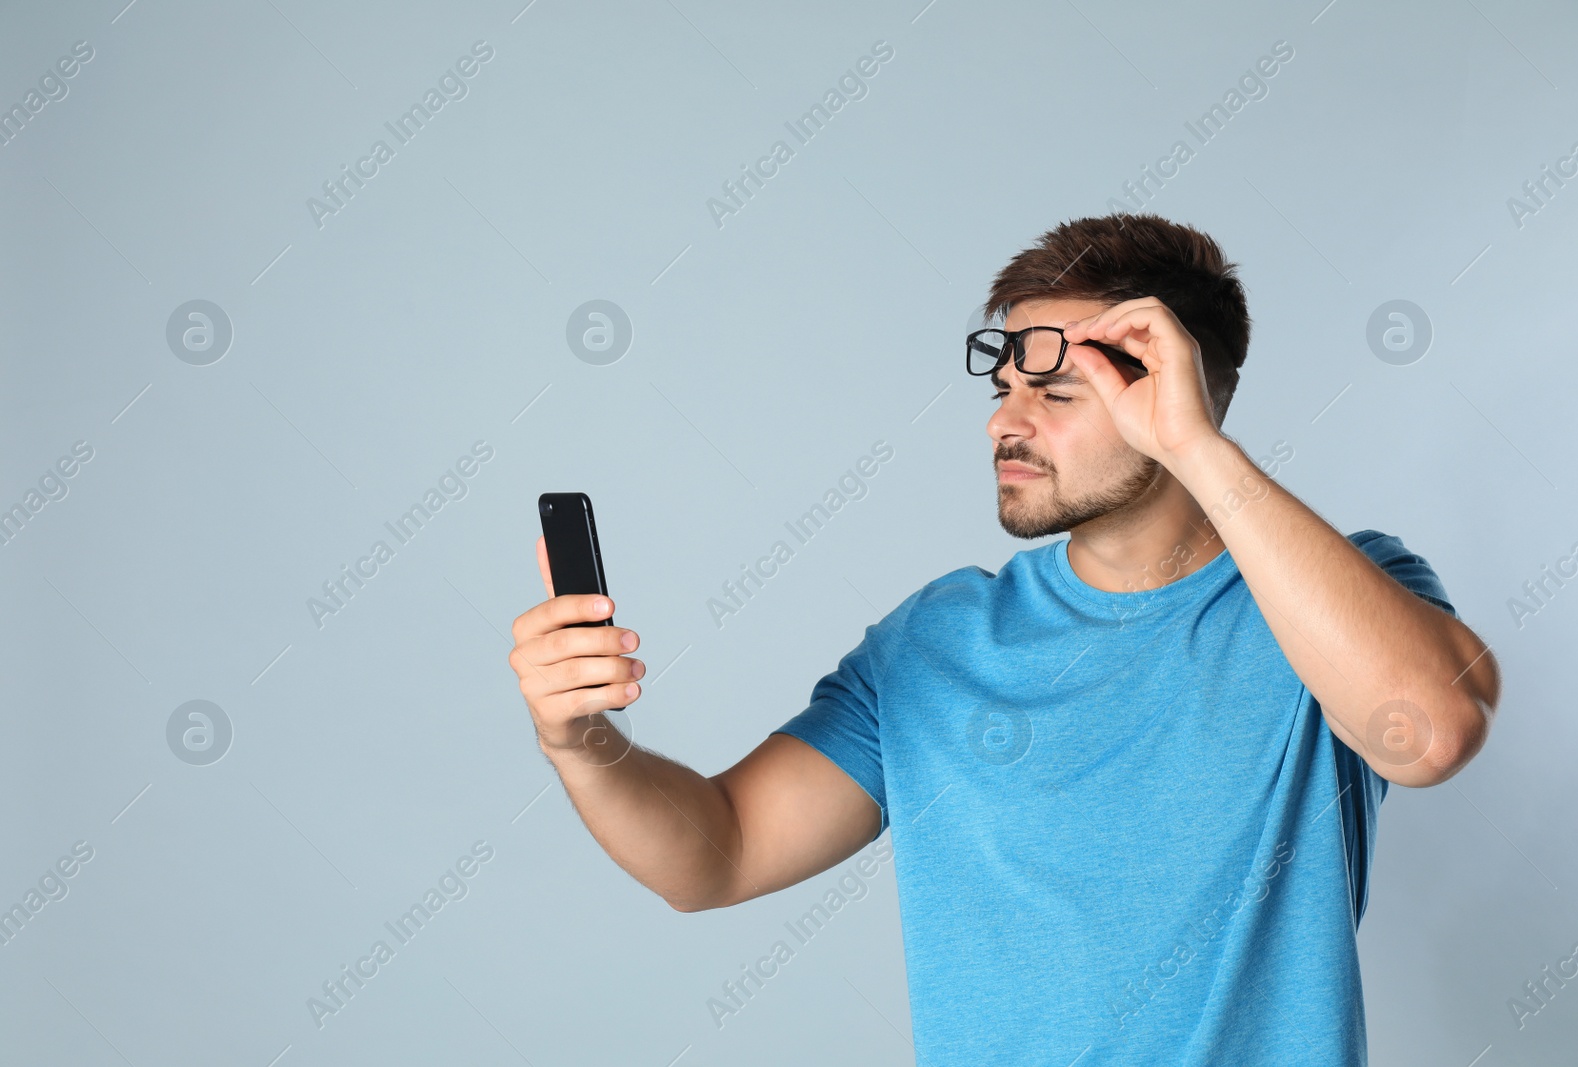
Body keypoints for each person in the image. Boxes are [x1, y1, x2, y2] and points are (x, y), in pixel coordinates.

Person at [507, 213, 1501, 1065]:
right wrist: (579, 739)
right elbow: (714, 854)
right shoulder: (936, 641)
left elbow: (1430, 731)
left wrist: (1199, 451)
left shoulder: (1339, 590)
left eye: (1057, 394)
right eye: (1004, 390)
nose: (1004, 423)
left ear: (1187, 396)